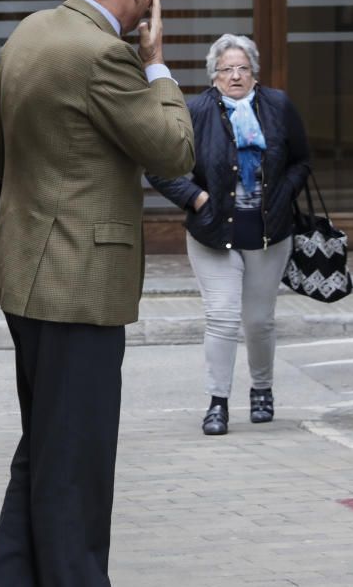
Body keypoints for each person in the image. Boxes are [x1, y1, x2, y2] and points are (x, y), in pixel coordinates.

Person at [0, 0, 195, 586]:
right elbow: (173, 149)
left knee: (45, 447)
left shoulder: (31, 32)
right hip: (78, 280)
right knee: (77, 457)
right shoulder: (104, 54)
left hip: (25, 269)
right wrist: (156, 61)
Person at [147, 33, 310, 436]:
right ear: (214, 76)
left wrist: (284, 192)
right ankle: (217, 403)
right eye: (227, 69)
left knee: (258, 321)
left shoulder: (278, 106)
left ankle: (262, 389)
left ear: (254, 73)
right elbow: (158, 165)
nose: (235, 76)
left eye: (243, 68)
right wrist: (197, 197)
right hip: (214, 232)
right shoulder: (196, 110)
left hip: (269, 232)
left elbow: (301, 160)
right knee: (221, 318)